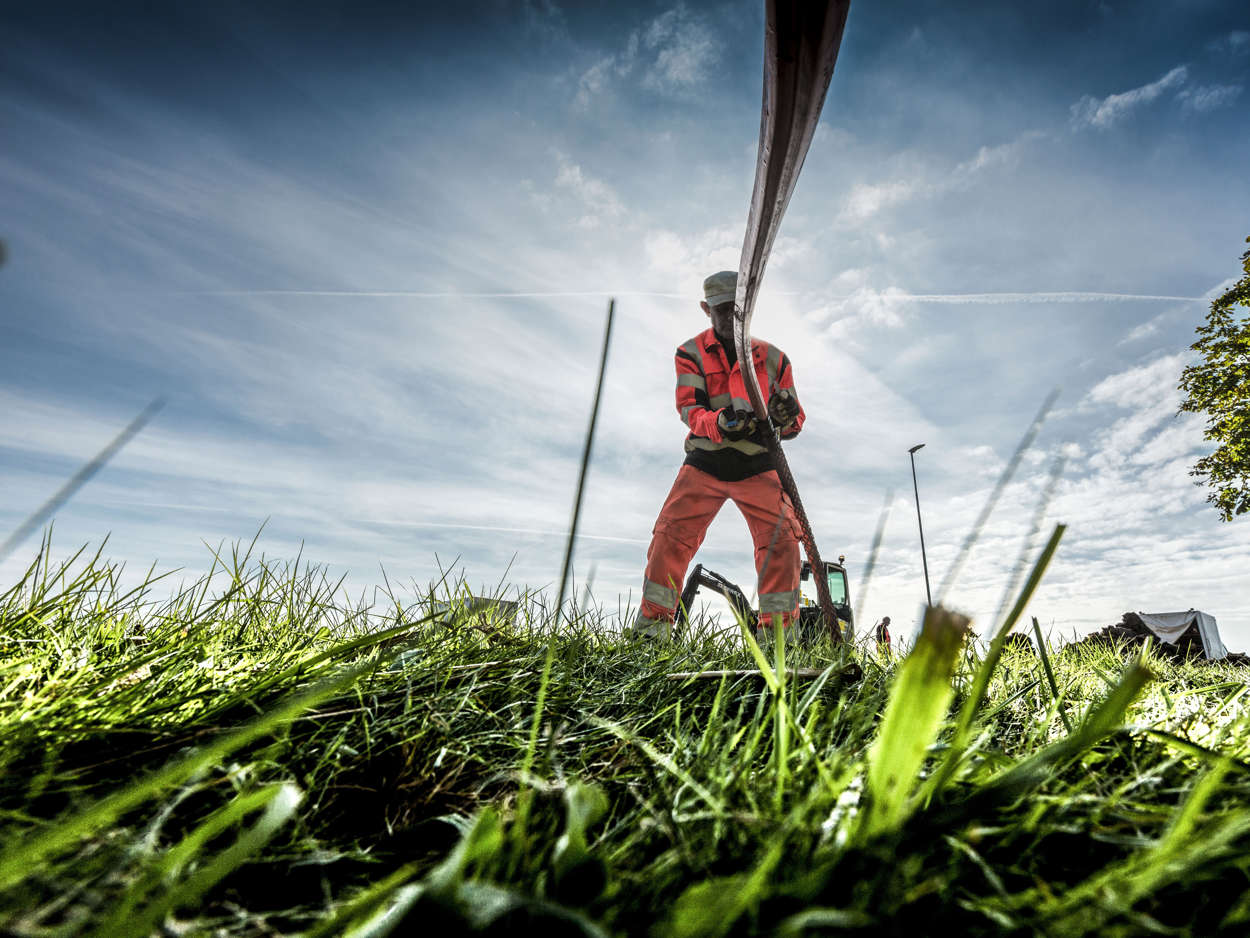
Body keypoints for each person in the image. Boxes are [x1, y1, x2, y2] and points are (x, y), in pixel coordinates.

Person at [626, 270, 806, 641]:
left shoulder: (775, 359)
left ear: (749, 308)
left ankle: (779, 641)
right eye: (722, 310)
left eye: (737, 309)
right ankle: (652, 633)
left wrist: (786, 417)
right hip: (705, 462)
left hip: (758, 465)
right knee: (670, 538)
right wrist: (720, 423)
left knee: (783, 542)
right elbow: (690, 411)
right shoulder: (689, 353)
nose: (729, 318)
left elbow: (794, 422)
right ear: (706, 309)